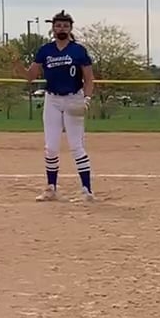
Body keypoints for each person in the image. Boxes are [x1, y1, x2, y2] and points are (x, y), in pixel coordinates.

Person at [26, 11, 95, 202]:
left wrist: (87, 99)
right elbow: (30, 76)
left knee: (76, 146)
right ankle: (51, 188)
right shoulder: (45, 50)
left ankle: (87, 190)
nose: (61, 28)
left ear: (70, 28)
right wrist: (17, 66)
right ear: (53, 28)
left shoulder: (78, 50)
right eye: (58, 25)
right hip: (53, 100)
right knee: (51, 147)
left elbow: (89, 78)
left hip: (74, 98)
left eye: (65, 25)